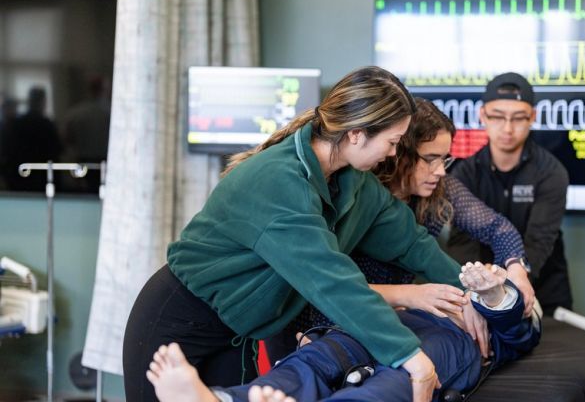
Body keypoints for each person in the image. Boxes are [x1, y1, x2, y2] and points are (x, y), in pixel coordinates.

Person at [123, 66, 487, 402]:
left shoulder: (354, 183)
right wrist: (409, 354)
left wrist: (471, 292)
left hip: (235, 332)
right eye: (392, 142)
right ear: (357, 134)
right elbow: (331, 280)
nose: (394, 154)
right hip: (177, 320)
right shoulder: (278, 182)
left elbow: (411, 243)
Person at [263, 97, 537, 363]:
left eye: (445, 159)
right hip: (319, 319)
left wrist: (516, 270)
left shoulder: (440, 189)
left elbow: (498, 229)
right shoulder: (356, 195)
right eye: (430, 159)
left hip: (381, 316)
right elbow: (323, 282)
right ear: (398, 152)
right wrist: (407, 297)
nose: (440, 171)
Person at [146, 262, 541, 402]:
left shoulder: (493, 319)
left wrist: (495, 295)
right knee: (318, 358)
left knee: (394, 383)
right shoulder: (438, 288)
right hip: (387, 325)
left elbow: (521, 334)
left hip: (448, 346)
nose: (482, 278)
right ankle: (224, 400)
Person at [446, 72, 572, 315]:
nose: (507, 128)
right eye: (497, 116)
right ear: (482, 115)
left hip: (542, 289)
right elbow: (461, 243)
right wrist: (482, 286)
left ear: (532, 117)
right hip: (481, 291)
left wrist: (511, 281)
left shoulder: (552, 172)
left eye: (518, 118)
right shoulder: (464, 174)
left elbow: (539, 240)